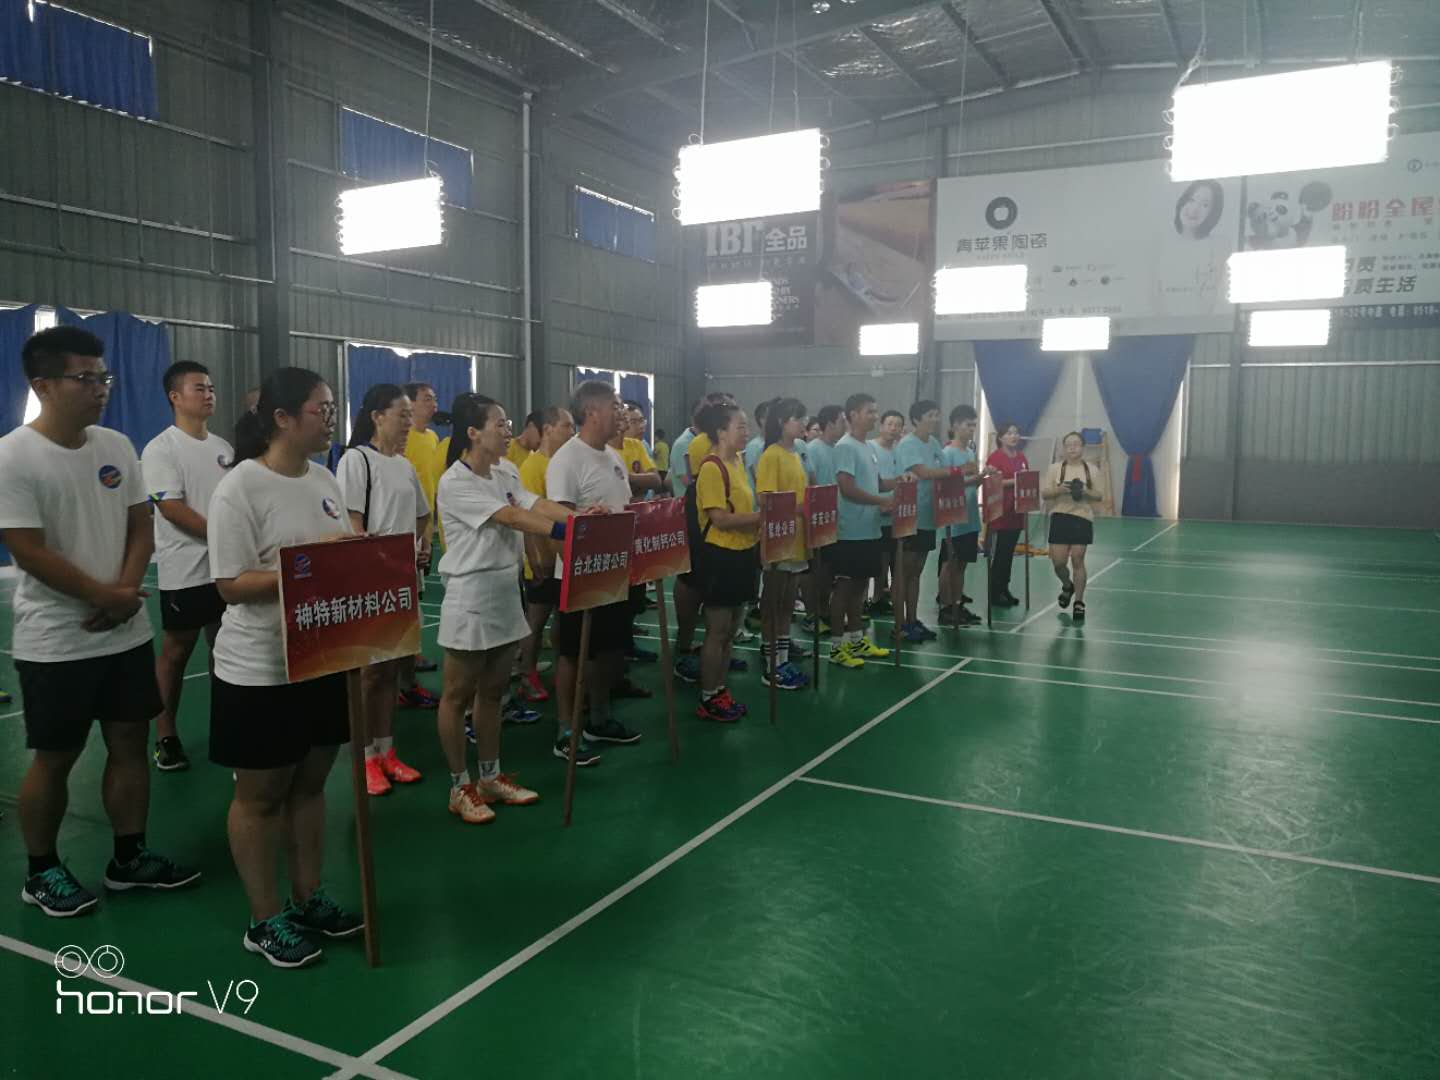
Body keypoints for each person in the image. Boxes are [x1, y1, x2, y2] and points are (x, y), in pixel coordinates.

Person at [3, 326, 200, 919]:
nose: (100, 388)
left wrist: (121, 594)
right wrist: (107, 596)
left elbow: (141, 524)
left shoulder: (115, 444)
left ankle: (129, 857)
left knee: (129, 743)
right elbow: (27, 550)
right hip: (56, 639)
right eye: (85, 378)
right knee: (55, 757)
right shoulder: (14, 455)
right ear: (42, 385)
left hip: (123, 631)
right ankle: (42, 871)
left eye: (103, 376)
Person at [207, 366, 362, 967]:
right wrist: (308, 567)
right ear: (281, 417)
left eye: (332, 409)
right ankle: (264, 918)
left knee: (311, 785)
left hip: (321, 657)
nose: (331, 419)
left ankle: (307, 895)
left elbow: (336, 558)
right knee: (261, 797)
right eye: (322, 409)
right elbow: (230, 583)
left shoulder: (324, 479)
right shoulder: (240, 489)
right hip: (261, 668)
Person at [435, 395, 578, 823]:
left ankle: (490, 777)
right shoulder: (455, 481)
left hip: (504, 591)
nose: (508, 430)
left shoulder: (506, 471)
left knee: (494, 692)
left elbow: (534, 503)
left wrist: (581, 519)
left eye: (508, 422)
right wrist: (566, 532)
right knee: (457, 696)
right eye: (499, 424)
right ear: (472, 432)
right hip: (470, 596)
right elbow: (512, 517)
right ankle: (459, 786)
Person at [338, 384, 431, 797]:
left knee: (391, 669)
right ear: (377, 417)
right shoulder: (357, 460)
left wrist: (422, 544)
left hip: (402, 581)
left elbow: (423, 515)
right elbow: (351, 522)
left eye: (411, 415)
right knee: (369, 674)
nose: (410, 422)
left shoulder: (404, 465)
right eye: (402, 414)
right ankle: (364, 758)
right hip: (369, 583)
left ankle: (387, 750)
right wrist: (376, 560)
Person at [142, 360, 233, 772]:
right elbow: (172, 507)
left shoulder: (224, 448)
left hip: (226, 568)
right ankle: (166, 736)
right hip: (186, 570)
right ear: (175, 397)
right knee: (176, 652)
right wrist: (223, 535)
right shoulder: (161, 449)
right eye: (200, 388)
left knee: (225, 647)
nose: (209, 394)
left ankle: (226, 725)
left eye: (211, 387)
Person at [546, 380, 642, 764]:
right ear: (592, 412)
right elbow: (558, 525)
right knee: (572, 654)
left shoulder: (614, 457)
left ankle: (599, 718)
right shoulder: (567, 460)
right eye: (614, 406)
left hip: (615, 573)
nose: (622, 414)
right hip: (580, 575)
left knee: (609, 649)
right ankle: (565, 731)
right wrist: (575, 572)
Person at [692, 402, 760, 721]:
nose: (746, 432)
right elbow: (719, 518)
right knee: (717, 631)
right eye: (740, 426)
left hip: (744, 552)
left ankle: (721, 690)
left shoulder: (738, 461)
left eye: (746, 426)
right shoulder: (711, 467)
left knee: (732, 629)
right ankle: (708, 696)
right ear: (721, 431)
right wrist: (761, 517)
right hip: (720, 556)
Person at [829, 394, 896, 668]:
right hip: (850, 531)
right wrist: (881, 501)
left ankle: (856, 639)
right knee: (844, 588)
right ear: (853, 414)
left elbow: (876, 483)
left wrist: (900, 482)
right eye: (870, 412)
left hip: (870, 529)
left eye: (875, 411)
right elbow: (847, 488)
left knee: (860, 587)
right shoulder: (845, 447)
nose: (874, 417)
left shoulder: (867, 447)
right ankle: (836, 646)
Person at [516, 406, 574, 703]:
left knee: (562, 619)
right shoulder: (532, 466)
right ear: (548, 429)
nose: (572, 431)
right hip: (543, 560)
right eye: (567, 425)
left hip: (564, 558)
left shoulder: (563, 463)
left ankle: (561, 670)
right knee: (536, 621)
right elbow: (529, 519)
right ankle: (526, 675)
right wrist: (537, 560)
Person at [755, 397, 810, 691]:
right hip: (779, 539)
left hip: (798, 538)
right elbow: (766, 499)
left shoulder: (797, 453)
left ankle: (783, 658)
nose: (803, 424)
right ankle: (770, 662)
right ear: (780, 422)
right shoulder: (771, 455)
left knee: (788, 602)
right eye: (796, 418)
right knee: (773, 602)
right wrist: (799, 508)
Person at [612, 402, 663, 672]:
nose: (639, 425)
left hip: (639, 527)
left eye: (641, 420)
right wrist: (634, 480)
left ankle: (627, 644)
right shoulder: (604, 450)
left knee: (635, 593)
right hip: (614, 531)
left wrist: (626, 477)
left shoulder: (637, 447)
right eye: (634, 420)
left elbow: (655, 480)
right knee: (615, 597)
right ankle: (617, 652)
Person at [894, 400, 948, 642]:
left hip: (928, 515)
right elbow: (923, 472)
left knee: (916, 572)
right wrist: (956, 471)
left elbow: (943, 469)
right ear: (916, 419)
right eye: (930, 415)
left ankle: (912, 620)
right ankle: (899, 625)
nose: (935, 419)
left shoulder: (934, 442)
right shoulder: (908, 444)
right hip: (909, 515)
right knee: (903, 573)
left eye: (937, 414)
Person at [1042, 431, 1107, 623]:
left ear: (1083, 447)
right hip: (1059, 517)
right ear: (1064, 448)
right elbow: (1045, 493)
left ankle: (1079, 602)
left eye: (1076, 444)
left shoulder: (1092, 469)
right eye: (1068, 444)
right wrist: (1059, 490)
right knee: (1059, 563)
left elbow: (1099, 495)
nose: (1072, 448)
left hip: (1082, 518)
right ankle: (1067, 585)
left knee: (1078, 559)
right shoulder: (1055, 468)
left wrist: (1084, 491)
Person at [402, 381, 443, 683]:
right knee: (408, 594)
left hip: (424, 524)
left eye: (434, 398)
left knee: (418, 590)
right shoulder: (402, 441)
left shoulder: (432, 438)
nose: (433, 403)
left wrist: (429, 529)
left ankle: (411, 654)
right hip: (403, 527)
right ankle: (407, 658)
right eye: (426, 398)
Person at [938, 405, 986, 628]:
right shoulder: (947, 453)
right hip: (953, 517)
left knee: (962, 564)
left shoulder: (969, 452)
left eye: (974, 425)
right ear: (955, 425)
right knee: (950, 563)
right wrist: (971, 480)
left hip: (970, 516)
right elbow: (944, 485)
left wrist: (981, 478)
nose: (972, 429)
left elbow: (971, 484)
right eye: (968, 425)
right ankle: (945, 607)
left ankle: (957, 604)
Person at [801, 405, 844, 639]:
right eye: (842, 421)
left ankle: (824, 610)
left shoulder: (838, 449)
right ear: (830, 424)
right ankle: (812, 615)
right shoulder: (813, 449)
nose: (845, 425)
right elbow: (809, 484)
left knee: (828, 570)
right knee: (814, 570)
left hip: (834, 519)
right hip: (816, 518)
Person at [985, 421, 1030, 608]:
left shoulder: (1021, 456)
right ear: (1001, 437)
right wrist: (1016, 480)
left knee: (1009, 553)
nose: (1014, 436)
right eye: (1009, 433)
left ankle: (1004, 588)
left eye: (1016, 432)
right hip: (1000, 511)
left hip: (1017, 511)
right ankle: (995, 592)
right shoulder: (995, 457)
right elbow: (993, 481)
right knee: (1000, 553)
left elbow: (1027, 478)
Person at [868, 409, 904, 615]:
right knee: (879, 561)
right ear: (881, 426)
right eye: (889, 424)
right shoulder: (870, 448)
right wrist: (879, 503)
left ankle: (885, 596)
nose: (893, 428)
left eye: (897, 425)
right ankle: (876, 598)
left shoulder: (899, 452)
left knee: (894, 560)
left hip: (897, 516)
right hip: (876, 515)